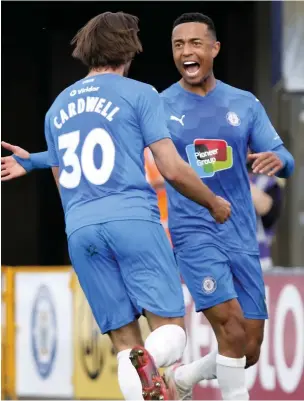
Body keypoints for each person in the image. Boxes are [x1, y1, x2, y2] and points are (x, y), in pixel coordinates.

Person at [1, 11, 295, 401]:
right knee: (172, 333)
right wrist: (212, 202)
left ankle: (152, 367)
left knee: (132, 344)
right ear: (129, 49)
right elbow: (171, 168)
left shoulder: (57, 107)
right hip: (143, 224)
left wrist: (31, 161)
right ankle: (149, 358)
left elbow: (63, 173)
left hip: (81, 228)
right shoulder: (142, 95)